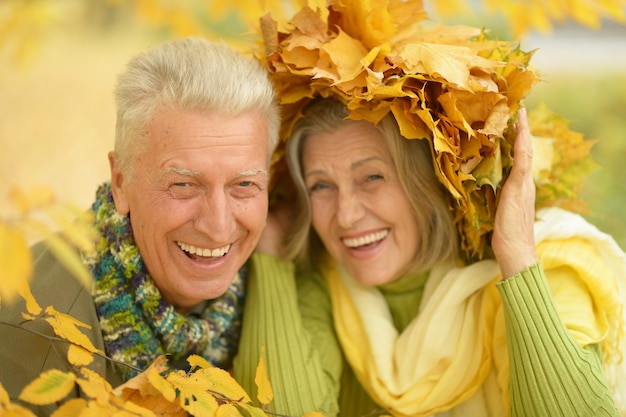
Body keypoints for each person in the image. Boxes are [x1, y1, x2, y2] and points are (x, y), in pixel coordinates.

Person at [234, 97, 626, 416]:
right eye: (321, 186)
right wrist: (270, 250)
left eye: (372, 177)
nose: (346, 214)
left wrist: (519, 258)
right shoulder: (322, 280)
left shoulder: (550, 259)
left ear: (432, 180)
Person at [0, 36, 280, 415]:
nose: (217, 227)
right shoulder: (31, 332)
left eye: (244, 185)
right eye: (183, 185)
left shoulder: (270, 287)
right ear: (121, 182)